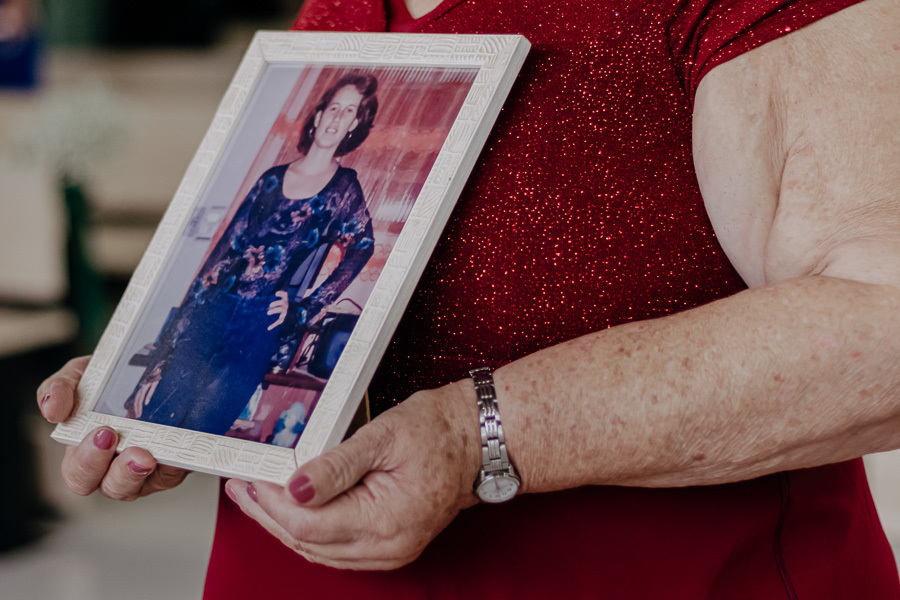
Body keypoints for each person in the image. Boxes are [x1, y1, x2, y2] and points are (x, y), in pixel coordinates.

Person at [38, 0, 900, 597]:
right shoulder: (343, 11)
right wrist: (166, 389)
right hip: (291, 570)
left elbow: (883, 322)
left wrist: (474, 434)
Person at [118, 72, 378, 437]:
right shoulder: (271, 178)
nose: (337, 117)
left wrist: (303, 308)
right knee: (159, 416)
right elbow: (222, 255)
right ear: (318, 115)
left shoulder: (344, 188)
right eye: (333, 107)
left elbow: (362, 248)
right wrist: (162, 357)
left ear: (354, 125)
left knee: (205, 426)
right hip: (213, 306)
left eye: (348, 111)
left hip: (260, 322)